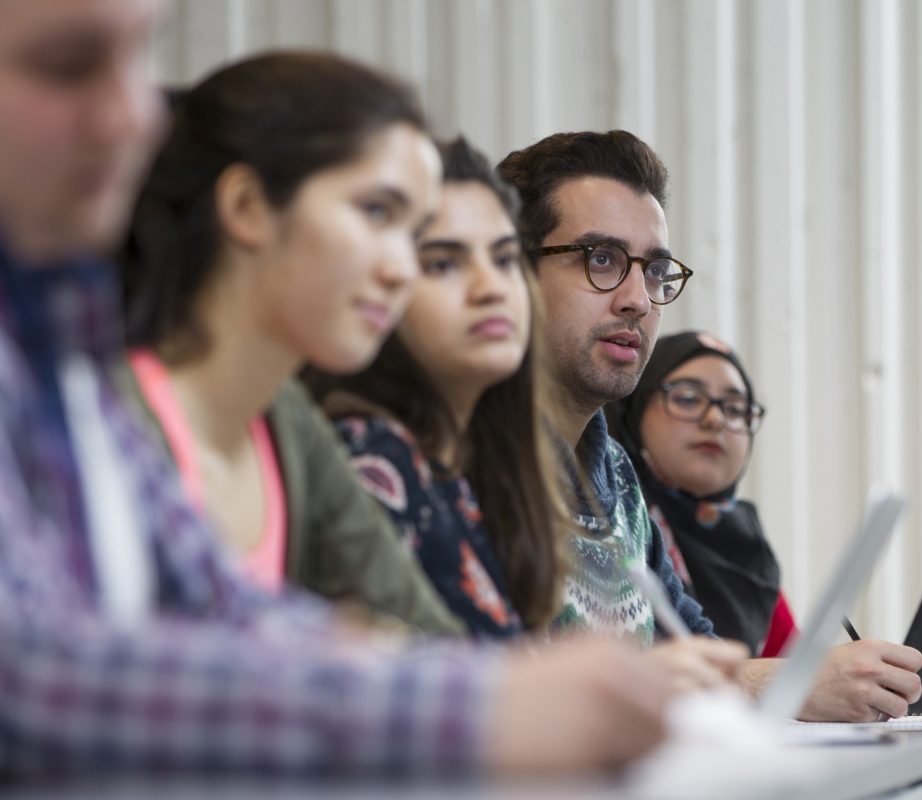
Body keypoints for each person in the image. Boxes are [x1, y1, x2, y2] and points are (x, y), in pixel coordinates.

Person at [0, 1, 672, 775]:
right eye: (382, 217)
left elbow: (240, 616)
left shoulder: (78, 373)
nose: (134, 117)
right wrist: (466, 706)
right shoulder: (358, 445)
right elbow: (32, 672)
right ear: (248, 208)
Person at [498, 130, 922, 721]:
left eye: (655, 270)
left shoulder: (614, 476)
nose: (638, 300)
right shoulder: (466, 457)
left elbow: (689, 646)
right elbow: (495, 684)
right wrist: (781, 684)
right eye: (601, 259)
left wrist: (792, 679)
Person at [118, 51, 463, 635]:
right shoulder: (110, 411)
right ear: (248, 207)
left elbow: (426, 639)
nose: (404, 270)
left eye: (417, 235)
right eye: (376, 211)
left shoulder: (285, 420)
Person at [303, 136, 567, 638]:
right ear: (383, 281)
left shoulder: (476, 467)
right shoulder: (373, 456)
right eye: (444, 263)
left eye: (505, 258)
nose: (490, 287)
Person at [605, 330, 796, 657]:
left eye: (735, 408)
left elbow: (798, 680)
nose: (715, 419)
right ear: (634, 412)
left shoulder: (746, 554)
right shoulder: (606, 526)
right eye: (688, 398)